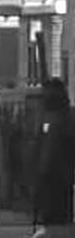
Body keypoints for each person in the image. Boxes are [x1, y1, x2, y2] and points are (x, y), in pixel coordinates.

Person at [33, 78, 75, 227]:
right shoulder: (50, 116)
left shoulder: (63, 118)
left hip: (58, 175)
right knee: (54, 216)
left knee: (58, 215)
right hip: (50, 175)